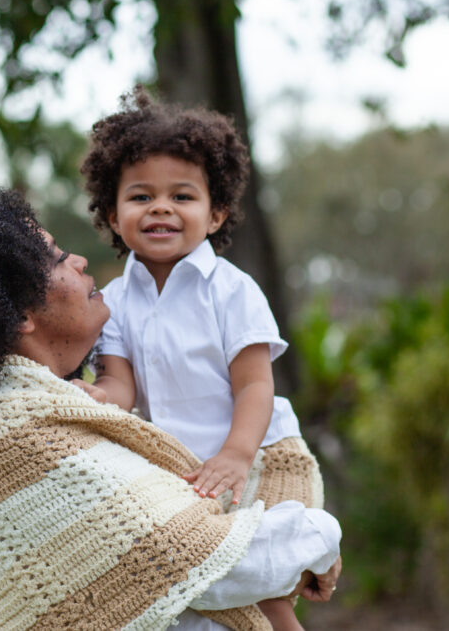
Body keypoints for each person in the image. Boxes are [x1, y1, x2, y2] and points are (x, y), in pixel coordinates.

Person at [0, 189, 341, 630]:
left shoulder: (51, 407)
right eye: (57, 258)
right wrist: (320, 538)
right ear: (19, 316)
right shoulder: (20, 431)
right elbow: (197, 558)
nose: (79, 260)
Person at [74, 88, 325, 630]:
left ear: (215, 215)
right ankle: (302, 562)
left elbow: (255, 386)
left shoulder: (232, 292)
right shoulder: (114, 302)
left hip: (261, 450)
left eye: (182, 197)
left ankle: (316, 557)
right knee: (215, 577)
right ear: (113, 218)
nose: (161, 207)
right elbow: (121, 386)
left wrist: (237, 453)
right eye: (140, 197)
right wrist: (96, 397)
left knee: (272, 580)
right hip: (186, 469)